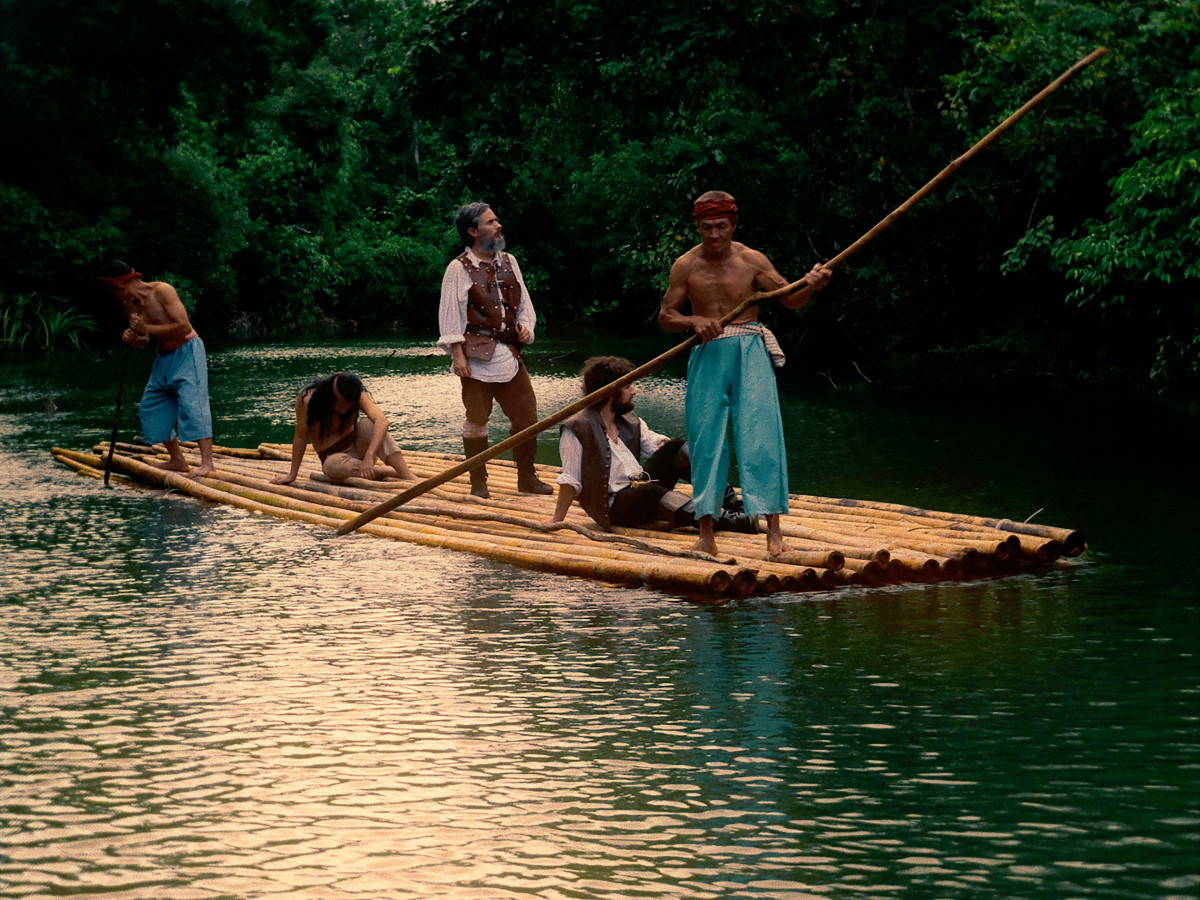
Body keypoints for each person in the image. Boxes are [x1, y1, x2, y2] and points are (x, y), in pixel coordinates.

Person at [658, 191, 832, 557]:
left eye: (721, 227)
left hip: (750, 350)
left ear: (733, 226)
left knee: (761, 438)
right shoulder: (685, 265)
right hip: (707, 353)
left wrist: (811, 285)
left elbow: (790, 298)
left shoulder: (752, 260)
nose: (714, 235)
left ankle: (773, 532)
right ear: (697, 227)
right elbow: (666, 316)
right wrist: (695, 322)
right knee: (705, 443)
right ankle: (706, 531)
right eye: (706, 227)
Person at [544, 356, 753, 534]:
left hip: (640, 486)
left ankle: (735, 505)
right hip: (614, 507)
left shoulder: (628, 419)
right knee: (650, 492)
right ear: (610, 392)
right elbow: (570, 481)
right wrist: (557, 520)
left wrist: (668, 447)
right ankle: (734, 521)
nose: (634, 391)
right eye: (628, 386)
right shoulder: (576, 429)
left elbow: (654, 443)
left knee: (677, 446)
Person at [437, 201, 552, 499]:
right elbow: (450, 316)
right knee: (477, 419)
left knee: (527, 418)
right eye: (490, 222)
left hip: (510, 354)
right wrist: (457, 355)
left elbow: (524, 303)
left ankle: (527, 477)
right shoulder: (458, 269)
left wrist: (526, 327)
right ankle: (479, 482)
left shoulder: (510, 261)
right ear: (473, 231)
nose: (498, 225)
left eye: (496, 220)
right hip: (475, 357)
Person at [99, 260, 215, 478]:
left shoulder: (162, 291)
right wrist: (133, 338)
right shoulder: (130, 305)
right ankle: (177, 460)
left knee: (193, 405)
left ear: (120, 286)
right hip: (164, 357)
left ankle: (207, 463)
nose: (114, 296)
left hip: (188, 350)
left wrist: (146, 328)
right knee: (150, 408)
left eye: (112, 291)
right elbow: (144, 340)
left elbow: (184, 326)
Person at [271, 372, 415, 486]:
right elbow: (301, 437)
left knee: (368, 424)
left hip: (361, 452)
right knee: (332, 465)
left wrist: (369, 456)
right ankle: (388, 472)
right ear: (331, 395)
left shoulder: (358, 394)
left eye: (348, 406)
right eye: (340, 404)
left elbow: (382, 421)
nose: (344, 410)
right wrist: (292, 475)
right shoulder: (308, 401)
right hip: (336, 461)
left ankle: (408, 475)